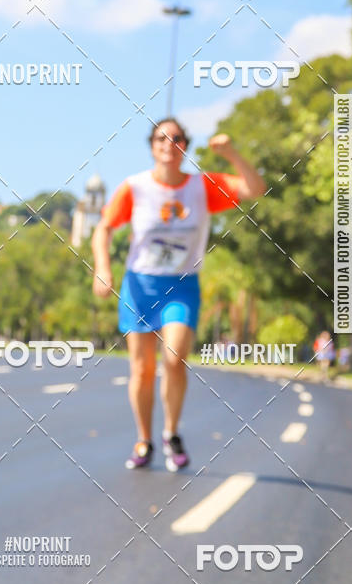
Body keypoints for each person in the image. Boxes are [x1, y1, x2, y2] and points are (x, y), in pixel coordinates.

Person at [91, 118, 266, 471]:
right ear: (152, 146)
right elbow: (103, 228)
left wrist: (231, 154)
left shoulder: (203, 187)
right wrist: (102, 268)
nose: (168, 144)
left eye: (176, 138)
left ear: (185, 145)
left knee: (174, 358)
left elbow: (255, 189)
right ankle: (144, 440)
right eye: (161, 138)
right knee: (142, 370)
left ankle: (171, 433)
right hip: (140, 286)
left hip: (181, 286)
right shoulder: (135, 187)